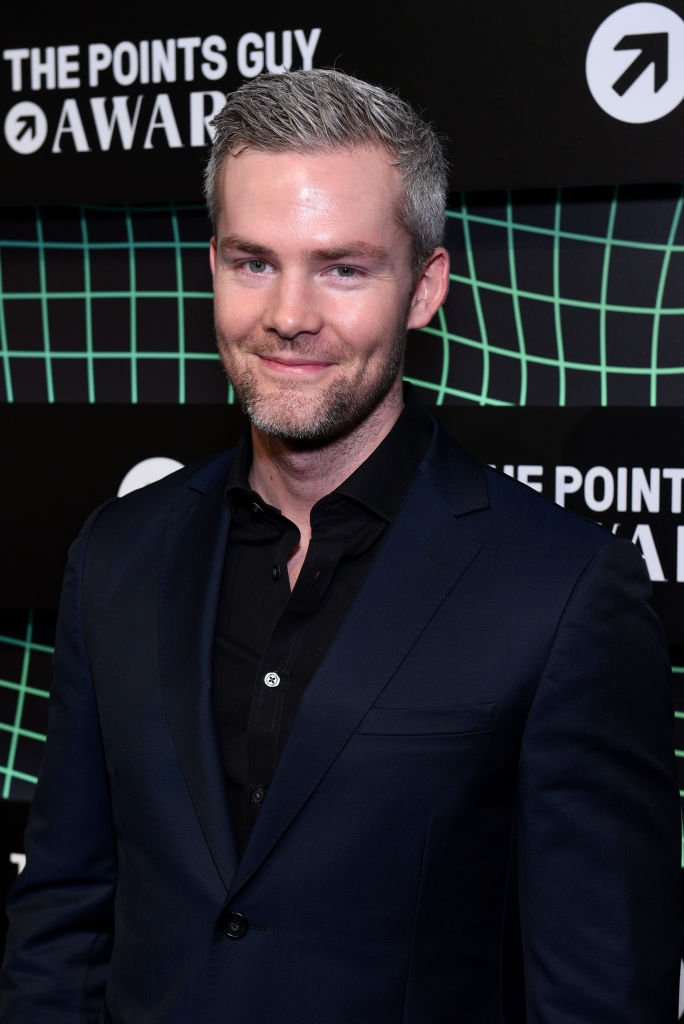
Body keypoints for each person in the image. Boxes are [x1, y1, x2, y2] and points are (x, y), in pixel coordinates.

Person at [0, 69, 680, 1024]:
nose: (288, 314)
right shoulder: (117, 556)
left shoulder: (560, 590)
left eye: (343, 267)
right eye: (253, 261)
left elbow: (601, 993)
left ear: (425, 289)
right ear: (212, 269)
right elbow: (61, 928)